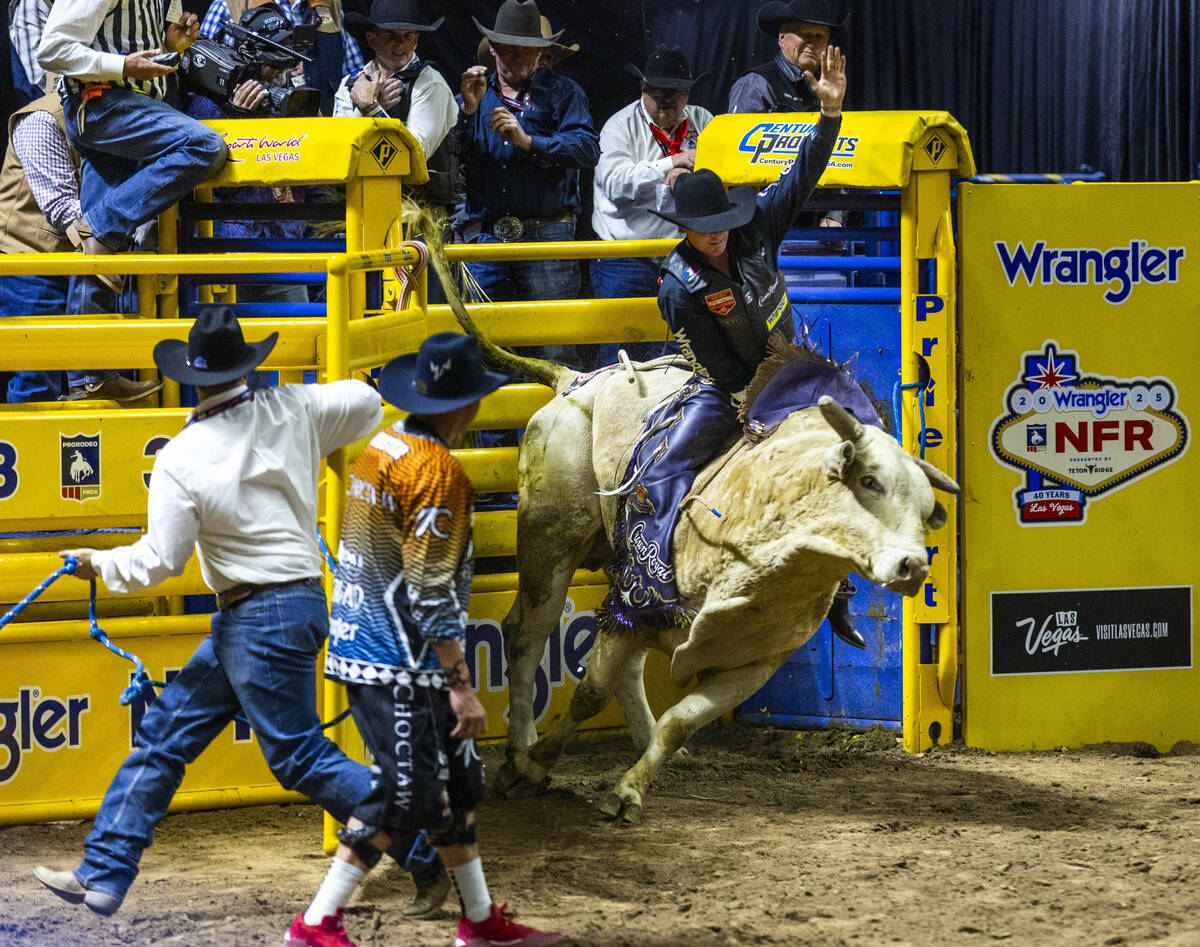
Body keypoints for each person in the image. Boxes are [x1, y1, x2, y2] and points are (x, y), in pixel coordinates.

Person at [30, 308, 390, 917]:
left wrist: (97, 562)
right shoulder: (294, 408)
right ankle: (103, 872)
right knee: (167, 735)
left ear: (193, 378)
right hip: (287, 606)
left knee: (296, 755)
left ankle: (422, 833)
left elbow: (158, 562)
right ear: (246, 365)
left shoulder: (181, 456)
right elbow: (367, 404)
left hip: (254, 615)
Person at [285, 332, 562, 947]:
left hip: (371, 644)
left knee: (456, 785)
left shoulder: (380, 445)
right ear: (469, 407)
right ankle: (316, 923)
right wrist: (461, 686)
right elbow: (432, 591)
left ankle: (481, 917)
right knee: (404, 793)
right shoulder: (439, 473)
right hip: (400, 662)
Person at [608, 43, 866, 650]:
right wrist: (751, 406)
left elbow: (803, 171)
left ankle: (841, 587)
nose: (717, 234)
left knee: (860, 435)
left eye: (721, 220)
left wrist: (828, 115)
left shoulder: (756, 228)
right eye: (705, 228)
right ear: (685, 231)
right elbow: (717, 363)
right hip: (730, 386)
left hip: (797, 372)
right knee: (668, 464)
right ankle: (650, 571)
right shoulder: (678, 289)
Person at [36, 0, 228, 278]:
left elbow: (130, 48)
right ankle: (100, 226)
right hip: (102, 105)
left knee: (97, 268)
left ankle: (95, 240)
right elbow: (52, 51)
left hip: (131, 109)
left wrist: (169, 46)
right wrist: (123, 65)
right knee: (205, 145)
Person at [0, 91, 163, 402]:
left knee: (96, 380)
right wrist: (125, 225)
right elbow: (61, 207)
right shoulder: (42, 120)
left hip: (84, 259)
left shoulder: (115, 114)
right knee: (37, 380)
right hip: (31, 261)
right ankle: (31, 451)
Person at [455, 0, 598, 315]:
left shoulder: (565, 92)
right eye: (508, 47)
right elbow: (449, 162)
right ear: (493, 48)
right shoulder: (473, 96)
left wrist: (527, 141)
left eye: (526, 48)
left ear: (540, 52)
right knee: (482, 341)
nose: (516, 55)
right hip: (488, 235)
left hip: (547, 232)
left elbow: (587, 149)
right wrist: (467, 112)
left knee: (554, 345)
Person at [590, 44, 712, 364]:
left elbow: (720, 175)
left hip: (682, 254)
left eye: (677, 91)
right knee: (619, 353)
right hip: (624, 256)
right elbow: (614, 184)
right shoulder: (619, 127)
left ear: (688, 92)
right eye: (659, 92)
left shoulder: (704, 122)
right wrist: (669, 165)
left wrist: (692, 177)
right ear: (644, 89)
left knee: (679, 353)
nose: (668, 100)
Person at [727, 0, 845, 231]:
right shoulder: (756, 85)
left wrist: (836, 216)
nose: (812, 42)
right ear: (782, 38)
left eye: (819, 35)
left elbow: (844, 155)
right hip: (766, 224)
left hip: (820, 226)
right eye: (804, 33)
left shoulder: (830, 89)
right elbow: (737, 163)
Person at [335, 0, 458, 217]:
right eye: (391, 36)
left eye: (407, 36)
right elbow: (339, 152)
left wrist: (372, 109)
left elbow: (415, 156)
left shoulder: (430, 83)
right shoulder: (350, 84)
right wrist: (370, 107)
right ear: (372, 39)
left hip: (418, 217)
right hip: (360, 212)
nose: (400, 45)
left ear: (416, 40)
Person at [200, 0, 364, 115]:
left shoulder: (329, 5)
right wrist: (234, 109)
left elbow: (353, 74)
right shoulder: (229, 5)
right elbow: (201, 72)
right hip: (256, 121)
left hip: (320, 119)